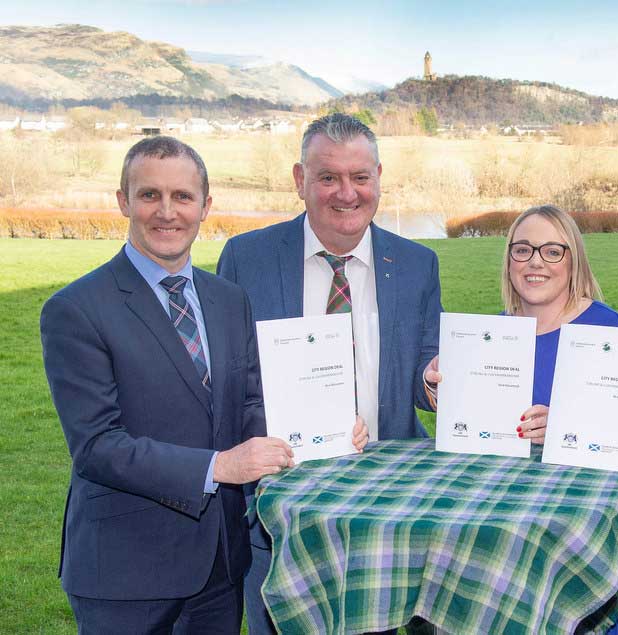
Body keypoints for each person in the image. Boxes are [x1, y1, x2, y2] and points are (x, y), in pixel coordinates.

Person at [38, 136, 367, 633]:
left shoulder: (228, 299)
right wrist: (222, 465)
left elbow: (250, 403)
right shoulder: (76, 309)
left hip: (220, 565)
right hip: (126, 571)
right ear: (123, 201)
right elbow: (97, 447)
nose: (166, 212)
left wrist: (324, 430)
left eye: (183, 197)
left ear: (206, 206)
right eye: (150, 195)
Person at [217, 113, 442, 635]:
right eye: (328, 177)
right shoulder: (246, 258)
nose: (347, 193)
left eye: (360, 177)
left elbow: (421, 375)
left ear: (379, 177)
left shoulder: (416, 263)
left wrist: (433, 381)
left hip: (392, 509)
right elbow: (231, 381)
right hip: (284, 510)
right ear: (300, 180)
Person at [426, 205, 618, 634]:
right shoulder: (491, 337)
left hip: (588, 544)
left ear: (573, 259)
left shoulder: (608, 330)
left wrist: (565, 426)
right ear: (509, 261)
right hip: (514, 545)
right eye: (523, 250)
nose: (535, 261)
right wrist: (441, 389)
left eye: (552, 251)